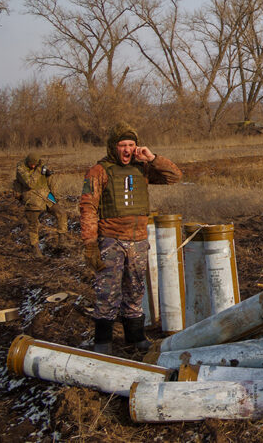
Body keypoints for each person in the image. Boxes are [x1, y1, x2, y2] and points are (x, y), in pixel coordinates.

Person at [79, 122, 181, 354]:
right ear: (113, 147)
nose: (126, 150)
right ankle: (103, 341)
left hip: (138, 240)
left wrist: (151, 157)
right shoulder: (99, 171)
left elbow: (174, 176)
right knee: (107, 291)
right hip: (110, 240)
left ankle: (136, 337)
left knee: (135, 290)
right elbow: (88, 207)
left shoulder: (143, 168)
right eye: (122, 145)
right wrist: (90, 245)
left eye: (131, 145)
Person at [14, 152, 69, 256]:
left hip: (46, 196)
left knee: (61, 213)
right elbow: (30, 184)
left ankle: (62, 240)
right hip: (31, 197)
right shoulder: (21, 169)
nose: (33, 166)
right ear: (27, 162)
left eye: (35, 164)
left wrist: (55, 195)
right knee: (33, 224)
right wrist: (39, 170)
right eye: (31, 164)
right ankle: (35, 248)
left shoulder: (41, 166)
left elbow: (49, 182)